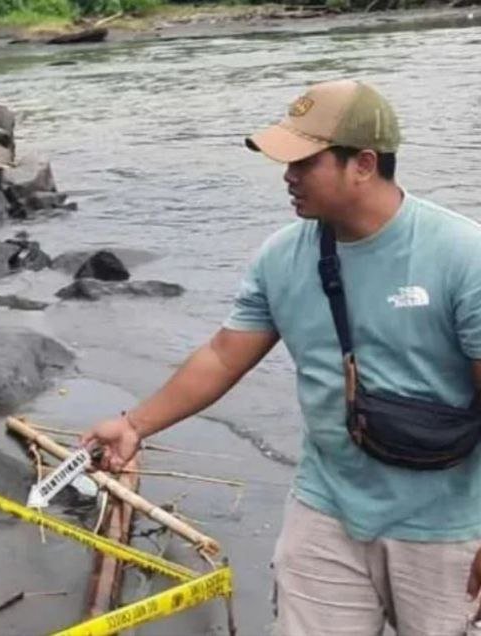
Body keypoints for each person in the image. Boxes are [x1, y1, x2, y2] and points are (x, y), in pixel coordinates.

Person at [83, 79, 481, 635]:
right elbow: (223, 356)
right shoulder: (281, 257)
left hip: (448, 526)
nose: (287, 176)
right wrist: (133, 425)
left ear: (363, 164)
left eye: (304, 162)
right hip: (327, 509)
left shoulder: (463, 256)